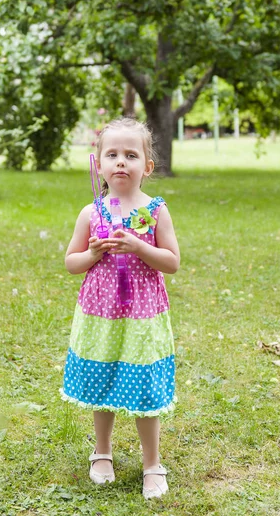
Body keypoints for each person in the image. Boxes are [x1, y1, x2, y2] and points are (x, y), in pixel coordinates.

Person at [61, 117, 180, 499]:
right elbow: (70, 262)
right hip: (102, 317)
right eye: (112, 154)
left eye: (131, 155)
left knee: (144, 386)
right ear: (99, 163)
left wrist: (141, 247)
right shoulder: (91, 213)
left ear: (146, 166)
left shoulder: (155, 211)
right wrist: (92, 253)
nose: (120, 162)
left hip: (142, 318)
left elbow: (172, 261)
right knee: (102, 379)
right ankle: (102, 452)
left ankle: (152, 463)